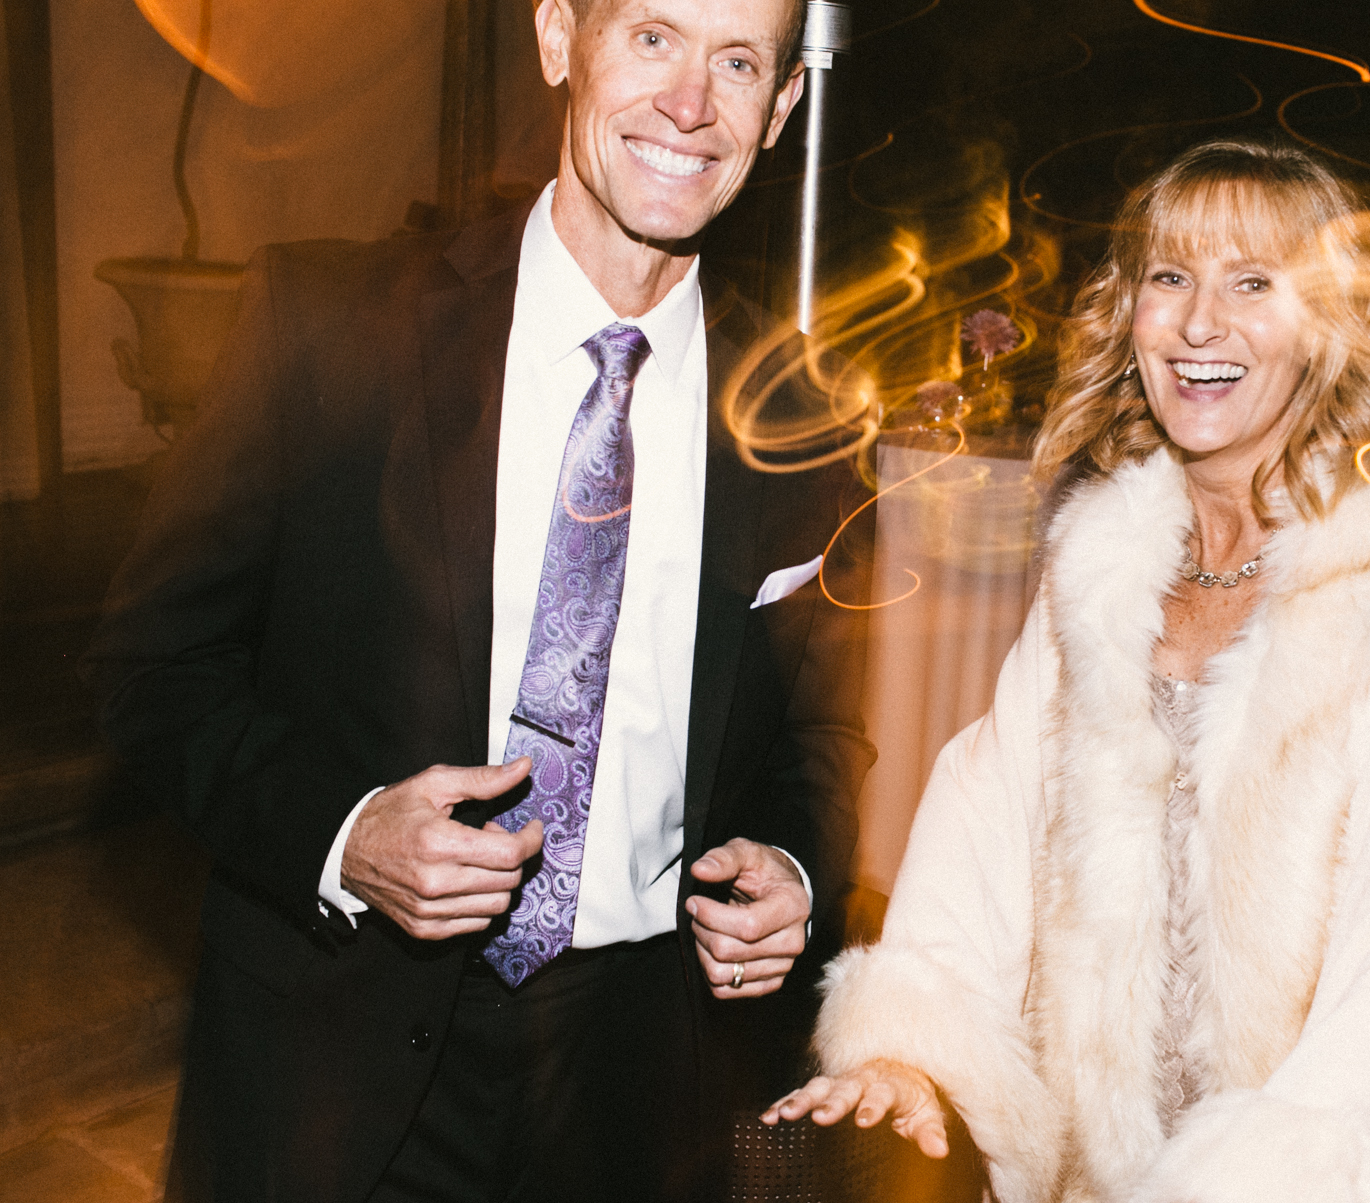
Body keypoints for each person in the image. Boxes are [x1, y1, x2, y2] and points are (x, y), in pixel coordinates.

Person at [83, 1, 876, 1200]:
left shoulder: (808, 417)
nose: (689, 103)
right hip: (335, 1054)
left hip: (639, 1078)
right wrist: (344, 833)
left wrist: (794, 872)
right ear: (558, 38)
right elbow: (152, 667)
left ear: (780, 107)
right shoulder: (325, 323)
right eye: (652, 37)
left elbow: (817, 731)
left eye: (736, 61)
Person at [764, 140, 1370, 1201]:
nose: (1201, 323)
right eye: (1172, 276)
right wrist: (910, 1049)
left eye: (1254, 283)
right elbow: (990, 803)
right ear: (1130, 313)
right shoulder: (1098, 556)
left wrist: (1275, 1166)